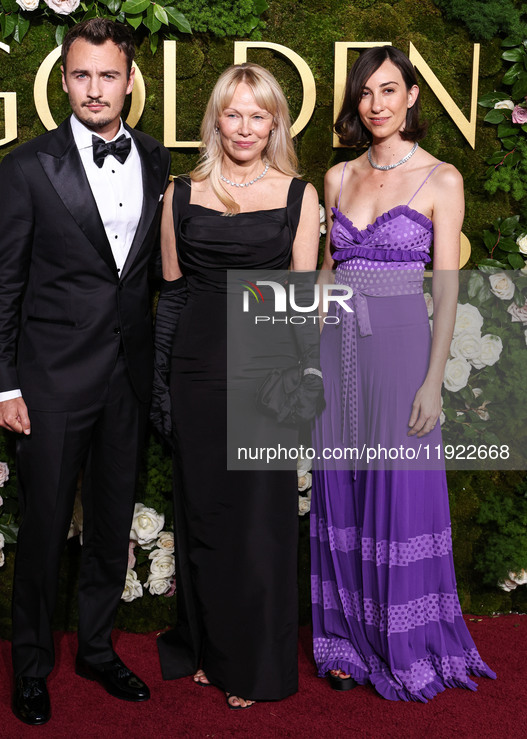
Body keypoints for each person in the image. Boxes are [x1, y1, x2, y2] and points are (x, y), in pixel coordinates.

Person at [0, 18, 170, 725]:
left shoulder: (154, 158)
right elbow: (1, 285)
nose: (95, 89)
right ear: (64, 79)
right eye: (82, 75)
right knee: (44, 528)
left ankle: (95, 646)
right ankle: (32, 666)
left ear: (128, 81)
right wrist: (3, 383)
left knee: (111, 520)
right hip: (51, 382)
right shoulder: (28, 167)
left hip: (127, 376)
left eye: (108, 75)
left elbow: (147, 275)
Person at [310, 45, 496, 701]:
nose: (377, 103)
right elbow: (328, 270)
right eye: (365, 93)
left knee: (397, 489)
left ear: (412, 94)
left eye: (389, 90)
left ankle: (402, 639)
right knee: (340, 484)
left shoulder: (442, 178)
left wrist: (430, 379)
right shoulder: (335, 178)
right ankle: (342, 641)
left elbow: (446, 292)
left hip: (399, 348)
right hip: (337, 349)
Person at [152, 62, 320, 709]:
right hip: (195, 372)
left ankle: (253, 666)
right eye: (233, 112)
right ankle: (208, 650)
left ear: (273, 121)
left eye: (258, 114)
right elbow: (170, 296)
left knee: (259, 525)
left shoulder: (298, 195)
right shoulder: (181, 193)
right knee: (207, 518)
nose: (244, 126)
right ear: (215, 119)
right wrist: (164, 389)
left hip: (265, 379)